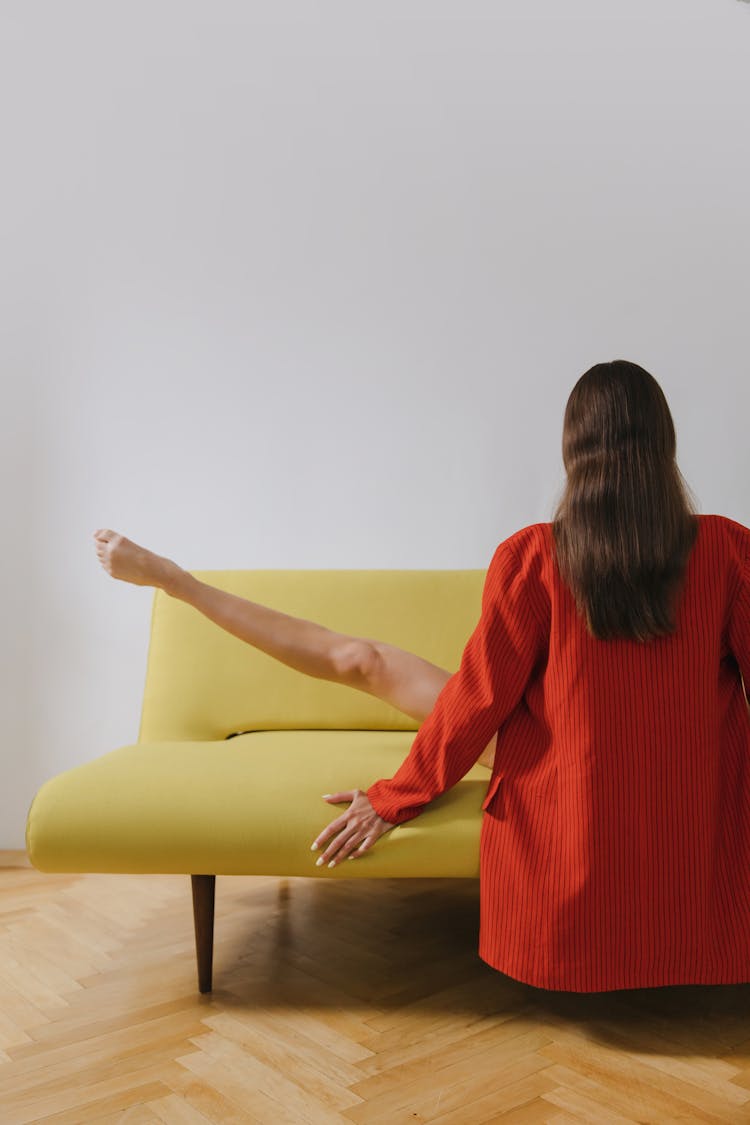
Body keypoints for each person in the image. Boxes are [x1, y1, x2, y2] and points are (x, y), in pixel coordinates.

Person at [94, 359, 750, 992]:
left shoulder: (534, 558)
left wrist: (395, 796)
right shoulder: (727, 549)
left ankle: (178, 583)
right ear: (665, 444)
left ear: (572, 451)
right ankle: (176, 581)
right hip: (646, 764)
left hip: (555, 763)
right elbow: (476, 698)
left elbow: (478, 699)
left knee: (367, 663)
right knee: (368, 663)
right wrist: (396, 792)